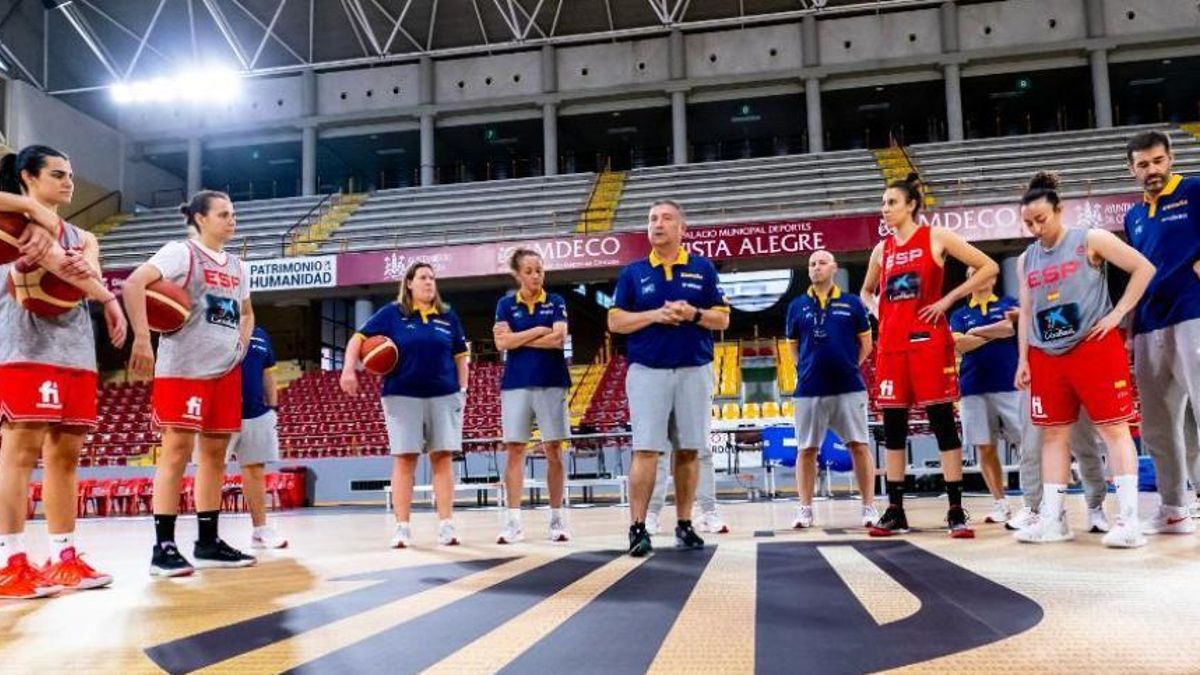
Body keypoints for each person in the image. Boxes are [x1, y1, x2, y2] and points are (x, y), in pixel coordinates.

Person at [0, 145, 127, 598]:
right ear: (28, 177)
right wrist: (33, 212)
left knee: (65, 457)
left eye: (71, 174)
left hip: (73, 353)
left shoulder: (83, 235)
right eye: (57, 174)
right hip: (25, 348)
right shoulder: (11, 221)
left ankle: (64, 557)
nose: (68, 182)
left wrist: (100, 290)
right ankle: (10, 561)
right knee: (19, 451)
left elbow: (86, 271)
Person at [1013, 172, 1155, 548]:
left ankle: (1129, 522)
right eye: (1027, 222)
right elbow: (1026, 313)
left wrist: (1117, 315)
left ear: (1060, 210)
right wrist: (1023, 359)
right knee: (1053, 435)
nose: (1034, 228)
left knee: (1113, 429)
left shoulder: (1090, 238)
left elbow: (1144, 268)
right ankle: (1053, 520)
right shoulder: (1026, 259)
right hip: (1046, 354)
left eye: (1041, 219)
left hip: (1093, 346)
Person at [124, 190, 257, 576]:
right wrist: (142, 337)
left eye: (233, 214)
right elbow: (134, 285)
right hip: (183, 368)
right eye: (223, 214)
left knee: (215, 457)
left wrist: (241, 344)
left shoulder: (237, 265)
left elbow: (247, 313)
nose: (231, 220)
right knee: (176, 453)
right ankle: (163, 547)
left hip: (225, 369)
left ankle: (207, 541)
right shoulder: (180, 252)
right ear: (200, 218)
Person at [860, 174, 998, 538]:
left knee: (941, 421)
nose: (885, 209)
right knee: (892, 429)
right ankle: (894, 509)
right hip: (891, 345)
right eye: (883, 203)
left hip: (928, 341)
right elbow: (866, 291)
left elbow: (989, 266)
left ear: (911, 205)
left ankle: (955, 508)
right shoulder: (881, 250)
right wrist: (878, 313)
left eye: (891, 202)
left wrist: (948, 299)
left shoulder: (936, 236)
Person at [608, 199, 730, 557]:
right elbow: (615, 322)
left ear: (682, 228)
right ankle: (638, 528)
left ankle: (685, 523)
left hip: (694, 370)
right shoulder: (633, 273)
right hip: (647, 372)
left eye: (666, 218)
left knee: (689, 450)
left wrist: (693, 314)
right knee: (646, 450)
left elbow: (722, 319)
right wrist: (656, 314)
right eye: (652, 219)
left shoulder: (703, 269)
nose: (657, 224)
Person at [341, 262, 469, 548]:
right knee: (404, 459)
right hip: (402, 396)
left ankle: (446, 525)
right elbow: (357, 339)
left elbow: (461, 356)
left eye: (432, 278)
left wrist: (463, 390)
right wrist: (349, 369)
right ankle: (402, 527)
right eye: (423, 277)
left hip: (444, 395)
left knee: (443, 458)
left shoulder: (448, 316)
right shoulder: (391, 313)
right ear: (409, 283)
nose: (429, 282)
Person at [1122, 130, 1200, 536]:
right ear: (1131, 169)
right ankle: (1173, 508)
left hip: (1193, 313)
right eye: (1142, 164)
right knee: (1157, 422)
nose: (1151, 170)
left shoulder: (1195, 189)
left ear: (1170, 159)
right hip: (1149, 324)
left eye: (1157, 161)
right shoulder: (1132, 217)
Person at [785, 250, 877, 529]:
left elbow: (867, 345)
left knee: (859, 446)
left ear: (834, 268)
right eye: (812, 264)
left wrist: (850, 365)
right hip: (809, 390)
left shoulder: (851, 303)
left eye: (822, 263)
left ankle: (869, 506)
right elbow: (792, 345)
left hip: (848, 387)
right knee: (807, 450)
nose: (816, 268)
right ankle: (805, 509)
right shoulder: (797, 305)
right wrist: (804, 370)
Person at [493, 248, 572, 544]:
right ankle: (513, 522)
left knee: (554, 450)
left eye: (539, 270)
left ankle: (557, 520)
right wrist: (538, 330)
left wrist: (519, 339)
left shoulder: (556, 301)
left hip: (552, 382)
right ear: (517, 274)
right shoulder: (504, 304)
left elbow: (558, 339)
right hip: (516, 384)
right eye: (529, 271)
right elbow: (502, 342)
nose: (536, 275)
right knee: (515, 451)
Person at [950, 270, 1022, 524]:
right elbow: (959, 345)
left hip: (1011, 385)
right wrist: (995, 331)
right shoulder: (959, 315)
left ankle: (1034, 503)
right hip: (972, 388)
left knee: (1025, 444)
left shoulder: (1009, 304)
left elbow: (1012, 329)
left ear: (992, 279)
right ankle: (1000, 503)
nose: (976, 278)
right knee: (985, 447)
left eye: (981, 273)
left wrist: (977, 332)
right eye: (970, 274)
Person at [228, 325, 287, 549]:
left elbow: (267, 372)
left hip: (255, 412)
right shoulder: (215, 325)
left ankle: (260, 528)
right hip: (221, 412)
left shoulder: (261, 333)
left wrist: (273, 407)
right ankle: (209, 534)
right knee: (212, 470)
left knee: (255, 471)